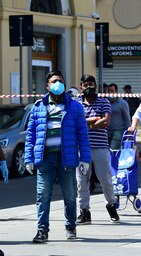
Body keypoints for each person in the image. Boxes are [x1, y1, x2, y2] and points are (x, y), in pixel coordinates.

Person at [24, 70, 91, 243]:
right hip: (45, 158)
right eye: (54, 81)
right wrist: (28, 159)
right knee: (43, 195)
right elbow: (30, 134)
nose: (58, 84)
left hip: (66, 158)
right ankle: (42, 230)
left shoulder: (74, 107)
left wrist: (85, 158)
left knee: (69, 195)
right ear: (47, 86)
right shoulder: (38, 107)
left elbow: (82, 134)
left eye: (60, 81)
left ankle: (70, 226)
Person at [76, 74, 119, 225]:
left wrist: (85, 124)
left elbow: (106, 121)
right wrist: (93, 121)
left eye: (91, 84)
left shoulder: (103, 101)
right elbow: (75, 122)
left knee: (105, 179)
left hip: (100, 147)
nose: (89, 87)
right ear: (81, 87)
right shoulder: (76, 104)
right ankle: (84, 211)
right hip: (81, 149)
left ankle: (111, 205)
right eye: (85, 84)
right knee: (82, 182)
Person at [106, 83, 131, 150]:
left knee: (113, 150)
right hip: (106, 131)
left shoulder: (122, 103)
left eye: (112, 91)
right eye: (108, 91)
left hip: (118, 131)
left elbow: (127, 119)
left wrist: (129, 133)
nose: (110, 92)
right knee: (106, 151)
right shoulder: (105, 102)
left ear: (116, 92)